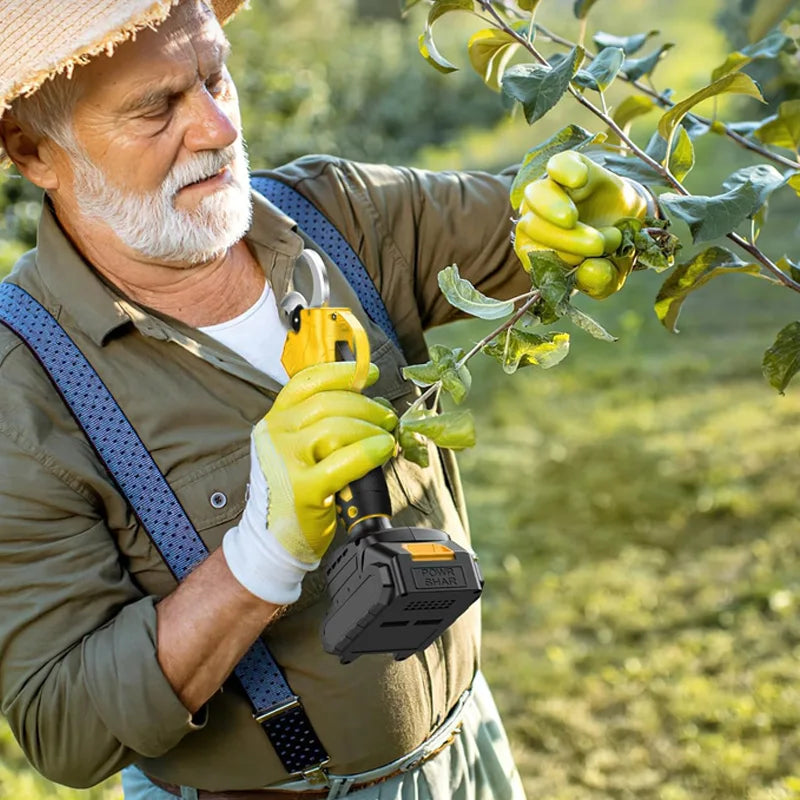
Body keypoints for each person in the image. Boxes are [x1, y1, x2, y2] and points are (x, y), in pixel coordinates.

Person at [0, 2, 648, 798]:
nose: (217, 128)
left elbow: (533, 221)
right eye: (156, 107)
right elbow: (64, 728)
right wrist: (260, 555)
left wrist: (596, 208)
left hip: (469, 748)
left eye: (214, 76)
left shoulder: (335, 215)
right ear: (33, 150)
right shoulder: (24, 386)